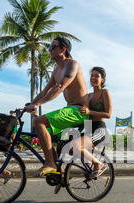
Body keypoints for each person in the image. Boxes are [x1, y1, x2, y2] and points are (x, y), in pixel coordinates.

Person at [24, 37, 105, 177]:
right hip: (70, 109)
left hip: (79, 110)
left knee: (39, 121)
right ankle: (57, 169)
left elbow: (60, 86)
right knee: (44, 133)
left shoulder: (72, 64)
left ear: (62, 50)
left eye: (52, 47)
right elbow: (44, 91)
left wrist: (37, 104)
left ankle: (50, 163)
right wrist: (29, 104)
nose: (49, 50)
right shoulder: (56, 71)